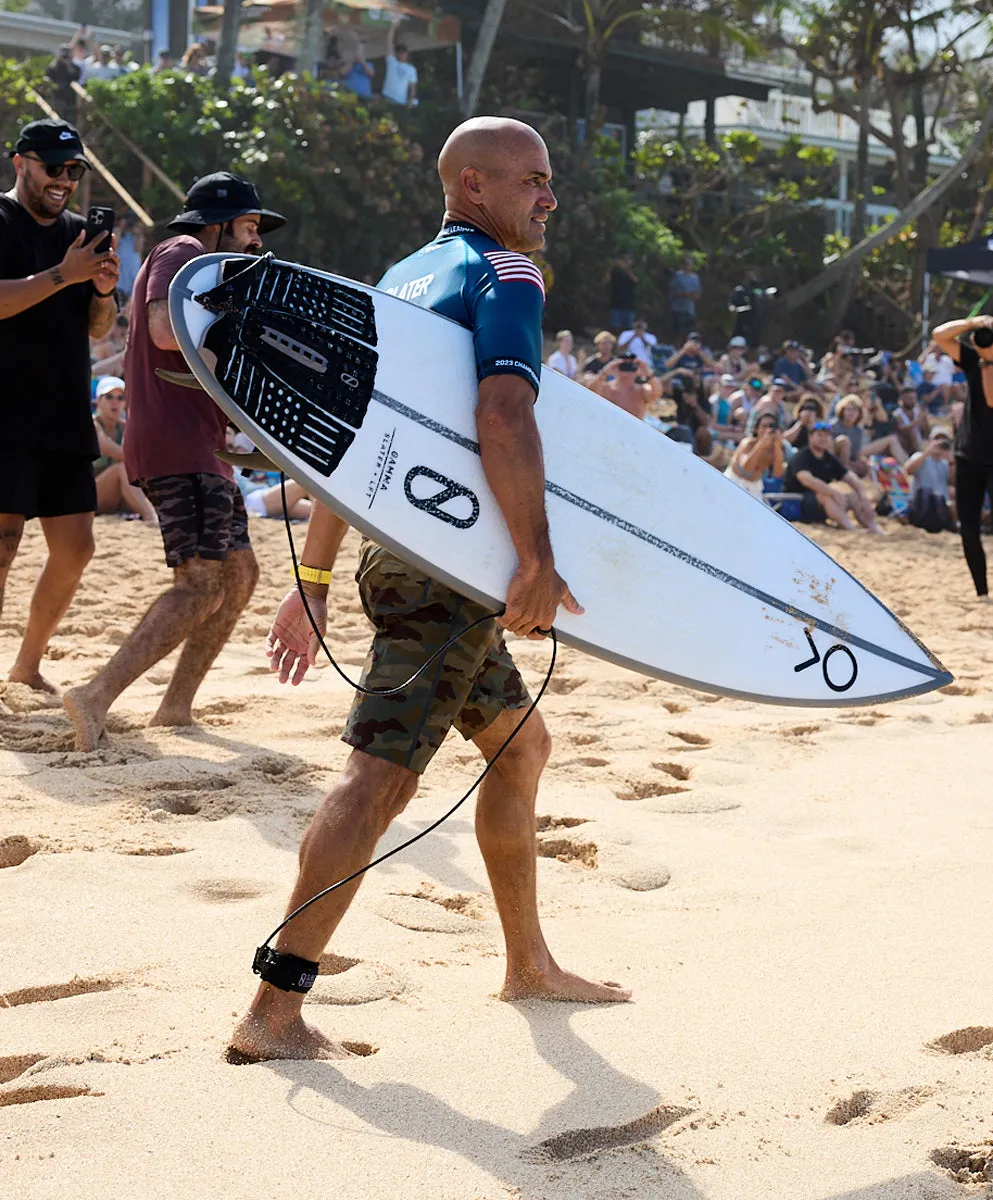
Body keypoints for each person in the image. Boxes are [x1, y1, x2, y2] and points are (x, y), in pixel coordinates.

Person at [229, 116, 629, 1064]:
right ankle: (273, 1010)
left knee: (521, 744)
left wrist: (317, 578)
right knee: (379, 777)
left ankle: (528, 962)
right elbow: (505, 409)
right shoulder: (506, 274)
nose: (548, 198)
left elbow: (352, 445)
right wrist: (534, 560)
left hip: (398, 554)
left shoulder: (401, 279)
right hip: (455, 572)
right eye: (532, 179)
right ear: (474, 186)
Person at [63, 172, 287, 750]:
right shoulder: (184, 249)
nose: (256, 240)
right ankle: (95, 696)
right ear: (215, 225)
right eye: (248, 226)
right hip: (175, 443)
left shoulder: (208, 268)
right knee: (200, 584)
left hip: (199, 445)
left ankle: (176, 706)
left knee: (239, 577)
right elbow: (165, 331)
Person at [0, 119, 119, 692]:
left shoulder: (81, 234)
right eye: (54, 168)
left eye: (74, 171)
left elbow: (99, 329)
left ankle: (26, 665)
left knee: (76, 549)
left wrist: (98, 288)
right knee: (3, 548)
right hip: (5, 416)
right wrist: (62, 274)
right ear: (20, 162)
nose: (65, 181)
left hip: (65, 414)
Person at [930, 314, 993, 598]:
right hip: (968, 455)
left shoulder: (983, 361)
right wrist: (975, 323)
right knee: (968, 529)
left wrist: (988, 360)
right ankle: (982, 593)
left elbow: (991, 398)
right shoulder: (974, 358)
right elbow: (939, 335)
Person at [783, 422, 882, 532]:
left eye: (826, 435)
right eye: (819, 435)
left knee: (854, 496)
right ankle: (850, 528)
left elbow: (850, 477)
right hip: (796, 502)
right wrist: (834, 493)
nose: (823, 438)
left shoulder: (828, 458)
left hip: (817, 504)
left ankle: (872, 527)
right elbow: (807, 481)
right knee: (825, 494)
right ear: (810, 437)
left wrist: (863, 496)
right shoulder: (801, 456)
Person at [91, 376, 158, 524]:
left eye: (120, 398)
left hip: (115, 497)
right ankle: (151, 516)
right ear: (98, 401)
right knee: (122, 469)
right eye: (109, 397)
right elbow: (115, 452)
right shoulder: (92, 425)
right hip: (90, 496)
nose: (115, 403)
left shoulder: (125, 426)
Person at [904, 428, 956, 533]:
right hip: (923, 505)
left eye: (944, 441)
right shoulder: (920, 456)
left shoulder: (946, 463)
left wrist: (951, 461)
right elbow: (908, 470)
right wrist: (928, 452)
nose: (940, 444)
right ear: (930, 441)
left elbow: (953, 482)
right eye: (937, 440)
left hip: (942, 506)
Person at [724, 411, 784, 498]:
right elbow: (746, 468)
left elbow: (778, 473)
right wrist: (761, 445)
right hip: (733, 483)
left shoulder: (774, 450)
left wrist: (778, 445)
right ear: (757, 429)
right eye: (764, 426)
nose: (768, 430)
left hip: (754, 489)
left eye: (771, 426)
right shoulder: (747, 443)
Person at [590, 355, 660, 419]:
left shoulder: (642, 390)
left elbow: (656, 393)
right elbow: (590, 391)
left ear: (637, 371)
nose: (627, 372)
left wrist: (647, 372)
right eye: (623, 366)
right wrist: (606, 370)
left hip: (632, 430)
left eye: (631, 366)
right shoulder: (606, 388)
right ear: (616, 368)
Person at [382, 16, 417, 107]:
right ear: (397, 53)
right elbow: (389, 43)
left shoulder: (411, 69)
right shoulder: (392, 61)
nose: (403, 55)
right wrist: (393, 27)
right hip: (387, 98)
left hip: (400, 102)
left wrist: (411, 100)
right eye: (401, 52)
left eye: (404, 52)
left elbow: (413, 87)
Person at [668, 255, 700, 341]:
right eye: (686, 264)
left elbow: (697, 294)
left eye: (689, 264)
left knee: (688, 333)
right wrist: (684, 294)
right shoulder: (677, 276)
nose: (688, 266)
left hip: (689, 310)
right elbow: (672, 292)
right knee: (677, 333)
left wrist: (691, 295)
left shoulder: (695, 278)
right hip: (677, 308)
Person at [45, 45, 81, 122]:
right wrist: (57, 59)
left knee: (69, 119)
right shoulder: (54, 66)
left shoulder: (75, 67)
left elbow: (76, 77)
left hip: (70, 99)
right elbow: (49, 75)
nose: (65, 55)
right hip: (56, 96)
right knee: (55, 116)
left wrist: (68, 64)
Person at [893, 386, 929, 456]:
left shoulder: (918, 411)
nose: (912, 400)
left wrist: (925, 420)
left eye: (914, 398)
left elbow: (926, 431)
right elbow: (901, 429)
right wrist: (916, 422)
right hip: (905, 445)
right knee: (912, 432)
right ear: (902, 398)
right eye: (909, 398)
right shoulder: (897, 414)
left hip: (920, 443)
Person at [607, 253, 637, 332]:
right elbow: (606, 279)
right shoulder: (615, 271)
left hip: (628, 304)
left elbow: (635, 280)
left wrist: (625, 269)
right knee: (614, 327)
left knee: (628, 328)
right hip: (615, 303)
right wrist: (612, 266)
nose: (626, 262)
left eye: (629, 260)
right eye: (625, 260)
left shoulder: (633, 271)